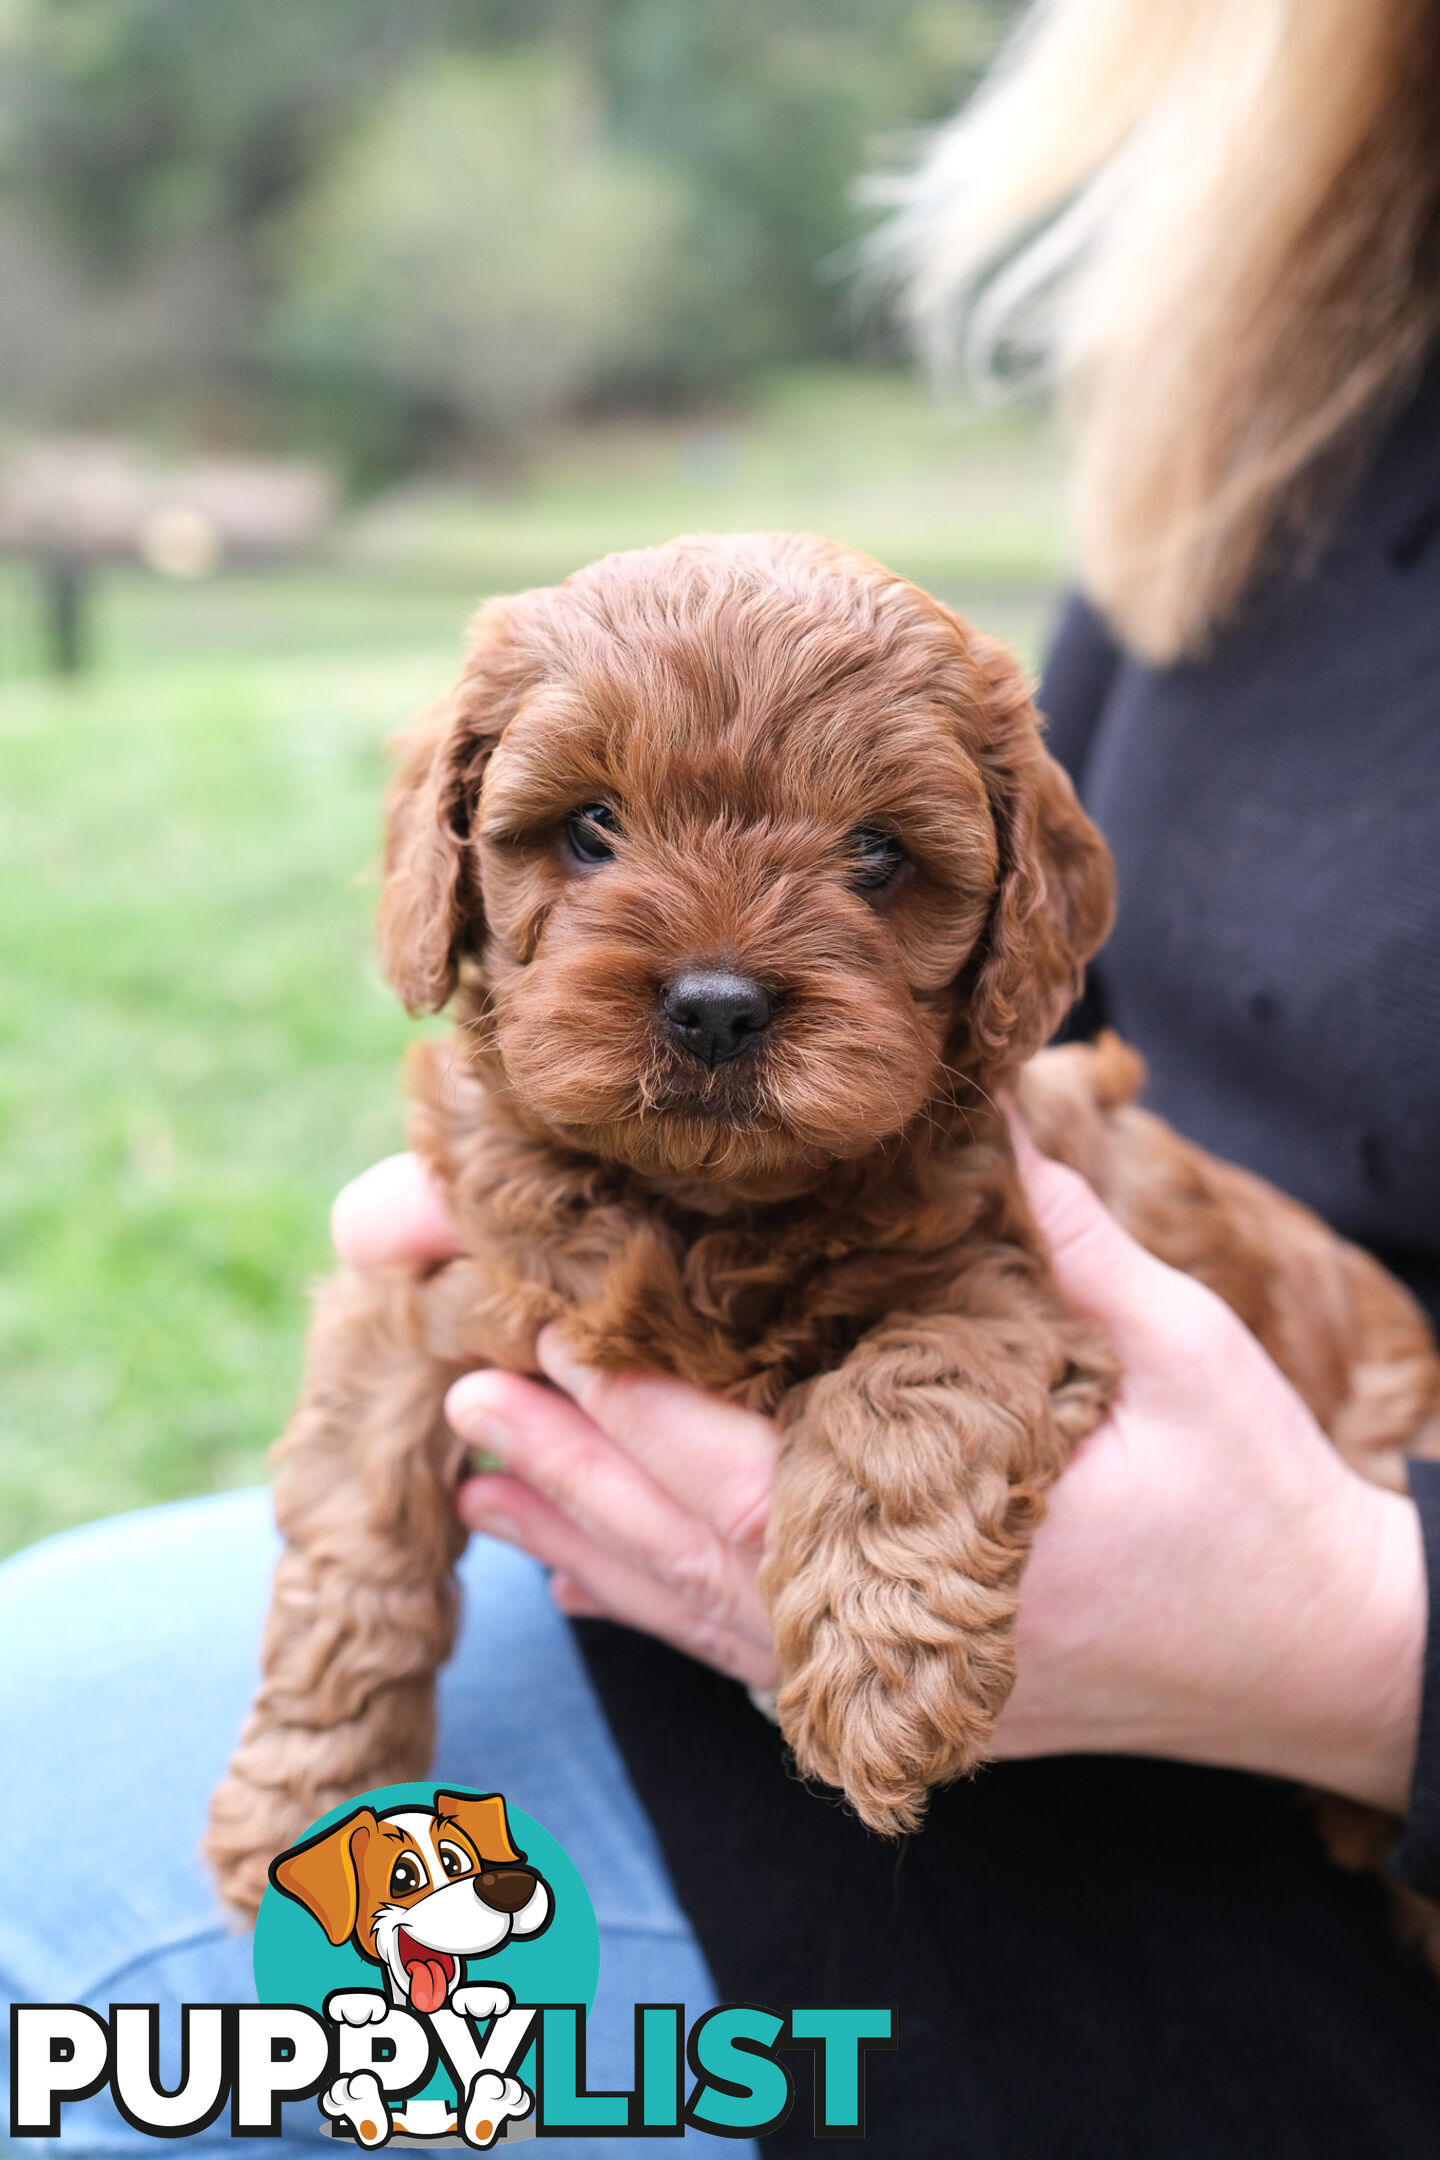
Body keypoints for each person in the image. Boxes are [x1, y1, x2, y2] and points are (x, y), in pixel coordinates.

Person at [7, 0, 1440, 2151]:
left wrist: (1359, 1658)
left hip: (1208, 1800)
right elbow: (399, 1342)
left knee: (91, 1986)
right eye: (587, 837)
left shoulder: (961, 1144)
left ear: (998, 946)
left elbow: (985, 1312)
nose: (716, 974)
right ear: (447, 877)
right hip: (743, 1669)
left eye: (874, 869)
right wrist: (338, 1700)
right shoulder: (1297, 312)